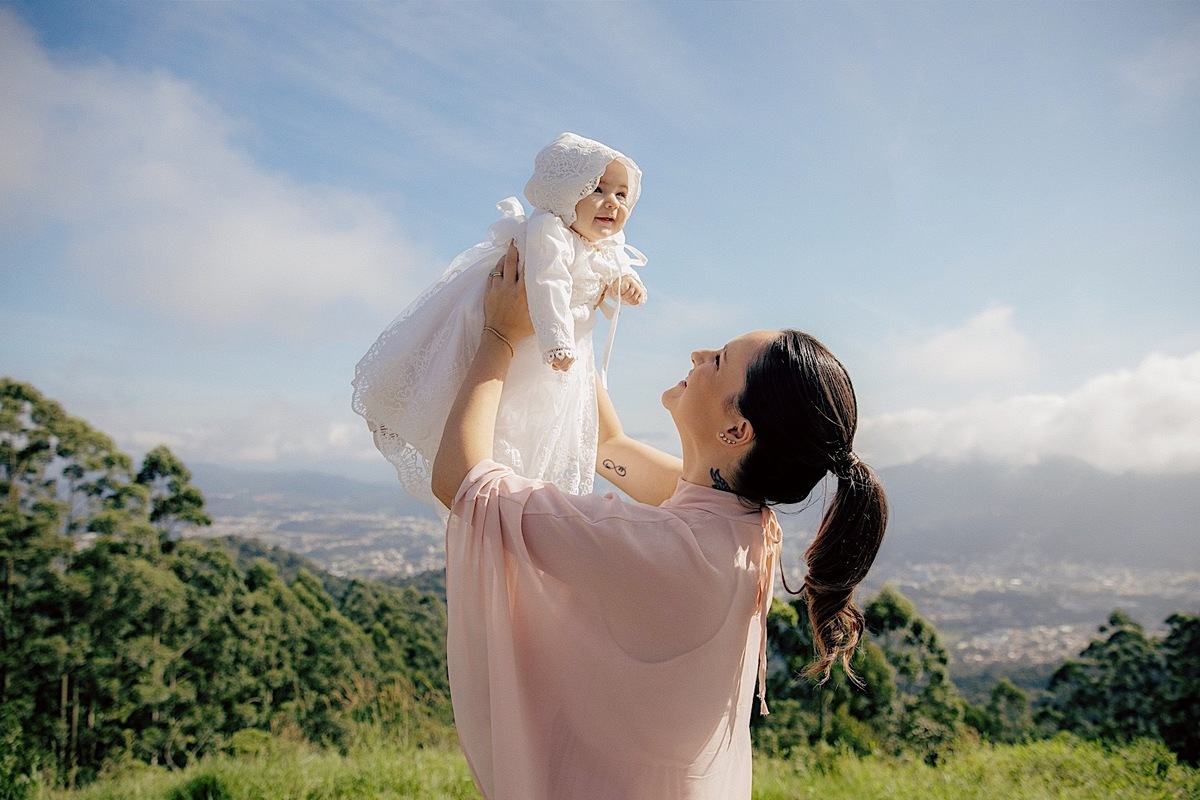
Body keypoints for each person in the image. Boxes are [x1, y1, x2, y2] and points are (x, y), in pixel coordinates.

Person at [431, 245, 889, 799]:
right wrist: (567, 321)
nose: (697, 354)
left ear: (736, 431)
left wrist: (500, 337)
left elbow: (462, 482)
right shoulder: (746, 525)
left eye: (717, 361)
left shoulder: (676, 551)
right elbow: (609, 448)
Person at [352, 133, 647, 507]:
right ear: (563, 190)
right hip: (529, 333)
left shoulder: (604, 246)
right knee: (491, 403)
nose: (612, 203)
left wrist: (624, 286)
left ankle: (503, 491)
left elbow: (612, 270)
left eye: (622, 195)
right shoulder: (550, 230)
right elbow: (547, 284)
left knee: (527, 423)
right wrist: (557, 340)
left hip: (553, 351)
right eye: (597, 188)